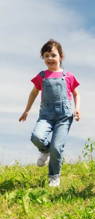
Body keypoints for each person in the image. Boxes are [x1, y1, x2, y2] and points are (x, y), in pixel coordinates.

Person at [18, 39, 81, 187]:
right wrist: (26, 110)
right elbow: (33, 93)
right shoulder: (42, 76)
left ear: (61, 56)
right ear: (43, 58)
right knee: (36, 137)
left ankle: (54, 176)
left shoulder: (69, 76)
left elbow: (76, 94)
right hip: (46, 115)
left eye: (53, 55)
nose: (50, 58)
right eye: (46, 56)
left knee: (57, 147)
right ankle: (45, 150)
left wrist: (77, 109)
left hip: (64, 117)